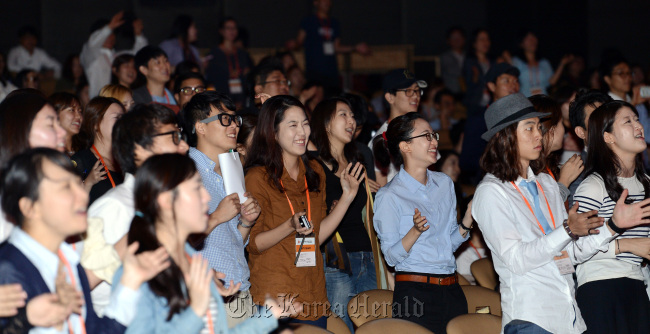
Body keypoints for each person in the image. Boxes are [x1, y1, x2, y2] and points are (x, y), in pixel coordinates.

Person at [472, 93, 650, 333]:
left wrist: (613, 227)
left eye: (539, 127)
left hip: (570, 318)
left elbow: (571, 253)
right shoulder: (491, 192)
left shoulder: (546, 183)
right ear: (505, 137)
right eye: (529, 128)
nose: (539, 135)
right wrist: (567, 229)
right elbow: (517, 260)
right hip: (532, 318)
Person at [0, 148, 169, 333]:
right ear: (29, 207)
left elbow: (95, 330)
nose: (82, 195)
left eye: (77, 183)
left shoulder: (68, 261)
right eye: (65, 187)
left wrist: (130, 282)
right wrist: (26, 320)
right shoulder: (8, 269)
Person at [121, 153, 293, 333]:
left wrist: (268, 317)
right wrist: (196, 310)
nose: (206, 197)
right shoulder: (142, 269)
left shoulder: (195, 262)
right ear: (166, 201)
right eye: (197, 188)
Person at [244, 95, 364, 328]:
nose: (302, 132)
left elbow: (317, 235)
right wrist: (289, 225)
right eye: (293, 125)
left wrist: (347, 198)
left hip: (313, 292)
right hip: (276, 293)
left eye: (305, 124)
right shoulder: (257, 177)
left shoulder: (315, 171)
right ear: (273, 132)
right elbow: (254, 244)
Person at [372, 112, 472, 333]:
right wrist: (415, 231)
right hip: (415, 294)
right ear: (405, 146)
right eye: (426, 136)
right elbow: (390, 257)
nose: (435, 141)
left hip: (451, 289)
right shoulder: (389, 196)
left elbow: (447, 243)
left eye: (434, 135)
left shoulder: (444, 183)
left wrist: (466, 222)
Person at [88, 103, 189, 316]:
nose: (184, 147)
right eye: (174, 138)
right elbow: (87, 290)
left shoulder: (166, 205)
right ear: (140, 149)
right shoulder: (115, 207)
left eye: (181, 136)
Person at [183, 91, 262, 326]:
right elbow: (176, 240)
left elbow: (232, 242)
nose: (234, 126)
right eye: (224, 119)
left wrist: (246, 222)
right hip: (209, 298)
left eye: (234, 118)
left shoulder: (230, 170)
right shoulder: (185, 172)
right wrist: (216, 216)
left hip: (241, 291)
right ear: (201, 127)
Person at [573, 100, 650, 333]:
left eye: (637, 119)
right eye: (628, 121)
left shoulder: (646, 183)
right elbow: (574, 250)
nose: (639, 126)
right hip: (600, 286)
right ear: (608, 137)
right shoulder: (593, 185)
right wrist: (628, 245)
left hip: (636, 283)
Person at [310, 97, 376, 331]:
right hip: (335, 258)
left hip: (367, 254)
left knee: (372, 325)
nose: (351, 120)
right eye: (343, 115)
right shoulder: (312, 164)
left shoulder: (357, 163)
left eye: (352, 116)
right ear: (326, 123)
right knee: (340, 327)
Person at [460, 62, 520, 185]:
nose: (513, 86)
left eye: (515, 81)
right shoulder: (479, 119)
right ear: (492, 86)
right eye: (506, 81)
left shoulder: (522, 118)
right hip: (491, 182)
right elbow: (467, 161)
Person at [288, 0, 370, 90]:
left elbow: (337, 47)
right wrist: (293, 45)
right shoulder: (308, 21)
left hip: (331, 70)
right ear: (316, 2)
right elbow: (299, 42)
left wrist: (355, 48)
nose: (327, 2)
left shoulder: (334, 23)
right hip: (314, 70)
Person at [369, 68, 427, 186]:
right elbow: (381, 189)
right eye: (408, 91)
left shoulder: (423, 131)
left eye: (417, 91)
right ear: (390, 97)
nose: (415, 96)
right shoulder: (380, 140)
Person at [71, 97, 126, 205]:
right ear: (96, 123)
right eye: (117, 118)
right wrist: (87, 183)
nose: (123, 123)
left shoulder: (126, 160)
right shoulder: (81, 160)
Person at [529, 94, 583, 202]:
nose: (563, 130)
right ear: (550, 129)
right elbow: (542, 211)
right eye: (561, 123)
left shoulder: (547, 164)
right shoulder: (527, 169)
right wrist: (564, 181)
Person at [80, 11, 147, 98]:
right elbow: (92, 44)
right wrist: (109, 27)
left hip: (122, 101)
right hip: (100, 105)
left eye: (112, 34)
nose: (110, 37)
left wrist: (138, 35)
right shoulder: (91, 55)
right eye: (106, 34)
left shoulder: (118, 56)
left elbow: (140, 54)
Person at [567, 89, 613, 202]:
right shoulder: (578, 172)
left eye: (607, 116)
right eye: (596, 118)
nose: (604, 123)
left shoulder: (629, 158)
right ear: (581, 132)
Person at [205, 17, 253, 108]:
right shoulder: (214, 53)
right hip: (221, 95)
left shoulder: (242, 53)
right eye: (228, 28)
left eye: (234, 28)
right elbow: (211, 77)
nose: (232, 31)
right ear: (221, 31)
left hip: (241, 94)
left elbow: (249, 74)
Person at [509, 30, 568, 97]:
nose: (532, 41)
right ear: (521, 43)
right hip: (525, 100)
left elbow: (552, 81)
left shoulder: (544, 62)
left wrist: (562, 64)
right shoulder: (516, 61)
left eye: (534, 38)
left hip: (543, 100)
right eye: (528, 39)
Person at [132, 46, 177, 112]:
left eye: (166, 61)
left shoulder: (175, 96)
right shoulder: (136, 98)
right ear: (144, 70)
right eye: (158, 62)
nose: (165, 66)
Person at [462, 28, 494, 115]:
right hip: (475, 103)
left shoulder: (492, 61)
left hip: (491, 103)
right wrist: (475, 78)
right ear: (474, 43)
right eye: (482, 39)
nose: (485, 42)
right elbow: (468, 84)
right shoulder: (470, 62)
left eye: (487, 39)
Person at [50, 92, 84, 156]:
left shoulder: (85, 148)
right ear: (55, 114)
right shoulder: (49, 152)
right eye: (72, 110)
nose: (79, 116)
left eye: (80, 111)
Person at [439, 26, 466, 95]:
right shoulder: (445, 57)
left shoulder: (469, 56)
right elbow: (455, 72)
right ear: (448, 40)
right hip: (451, 93)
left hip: (468, 94)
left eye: (459, 37)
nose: (457, 40)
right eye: (453, 37)